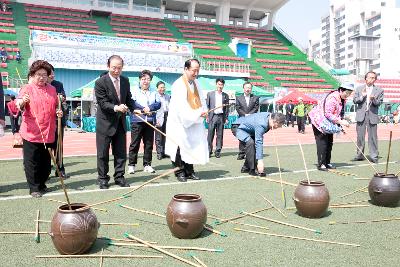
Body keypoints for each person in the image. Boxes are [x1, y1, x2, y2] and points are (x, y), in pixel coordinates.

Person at [16, 60, 63, 197]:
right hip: (31, 132)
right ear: (33, 75)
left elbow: (55, 107)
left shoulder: (52, 89)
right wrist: (23, 102)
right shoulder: (27, 88)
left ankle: (42, 183)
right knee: (32, 162)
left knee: (46, 164)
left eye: (44, 74)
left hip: (48, 131)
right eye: (38, 74)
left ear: (48, 76)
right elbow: (19, 104)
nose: (41, 77)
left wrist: (58, 112)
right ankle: (34, 188)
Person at [94, 55, 136, 189]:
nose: (116, 70)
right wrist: (116, 107)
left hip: (120, 123)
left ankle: (119, 177)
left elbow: (128, 99)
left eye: (119, 68)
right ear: (108, 66)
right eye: (114, 68)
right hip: (105, 123)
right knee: (102, 153)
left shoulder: (125, 80)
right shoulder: (100, 82)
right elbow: (102, 103)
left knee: (120, 153)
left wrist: (136, 109)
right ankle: (103, 179)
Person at [165, 58, 209, 182]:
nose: (195, 73)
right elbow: (181, 107)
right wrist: (197, 114)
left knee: (192, 145)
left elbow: (201, 100)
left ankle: (189, 171)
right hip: (179, 122)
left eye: (197, 71)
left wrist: (204, 112)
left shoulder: (197, 83)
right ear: (185, 69)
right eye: (193, 71)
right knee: (179, 147)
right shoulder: (178, 84)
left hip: (194, 121)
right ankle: (179, 172)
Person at [308, 83, 353, 171]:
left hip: (328, 123)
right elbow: (328, 114)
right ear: (340, 90)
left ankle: (327, 162)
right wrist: (341, 122)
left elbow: (337, 113)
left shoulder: (342, 99)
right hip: (319, 121)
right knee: (322, 142)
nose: (347, 95)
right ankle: (321, 164)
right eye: (346, 93)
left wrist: (340, 125)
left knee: (329, 142)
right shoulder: (333, 98)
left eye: (349, 93)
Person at [128, 70, 161, 174]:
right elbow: (132, 103)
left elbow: (158, 104)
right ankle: (132, 165)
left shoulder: (154, 91)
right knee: (135, 143)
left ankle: (147, 164)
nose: (145, 81)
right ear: (139, 80)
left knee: (148, 144)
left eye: (147, 79)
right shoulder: (134, 90)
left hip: (150, 121)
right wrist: (143, 110)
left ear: (150, 80)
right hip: (137, 120)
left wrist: (150, 108)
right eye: (143, 79)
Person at [352, 71, 384, 163]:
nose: (371, 79)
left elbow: (379, 103)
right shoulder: (359, 89)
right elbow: (355, 100)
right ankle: (359, 155)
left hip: (372, 116)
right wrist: (362, 96)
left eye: (373, 78)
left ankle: (374, 156)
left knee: (373, 137)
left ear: (375, 80)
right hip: (361, 115)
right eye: (370, 77)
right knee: (360, 137)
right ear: (365, 78)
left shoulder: (379, 90)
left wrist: (374, 100)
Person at [48, 65, 69, 178]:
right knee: (46, 146)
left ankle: (60, 169)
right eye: (50, 73)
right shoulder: (39, 86)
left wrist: (61, 98)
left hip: (58, 120)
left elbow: (63, 98)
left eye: (53, 72)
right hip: (45, 122)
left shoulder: (58, 84)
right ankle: (45, 170)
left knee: (58, 145)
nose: (52, 75)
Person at [235, 82, 259, 160]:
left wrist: (249, 115)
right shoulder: (238, 98)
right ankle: (241, 153)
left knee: (252, 136)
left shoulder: (255, 97)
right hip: (242, 119)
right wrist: (245, 115)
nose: (248, 89)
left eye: (249, 88)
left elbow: (256, 108)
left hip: (252, 120)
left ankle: (251, 153)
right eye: (246, 87)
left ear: (251, 89)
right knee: (242, 136)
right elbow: (238, 108)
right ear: (243, 88)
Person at [206, 78, 229, 158]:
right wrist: (207, 116)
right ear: (216, 84)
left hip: (221, 117)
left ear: (223, 86)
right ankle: (209, 151)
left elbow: (227, 108)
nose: (220, 86)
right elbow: (207, 106)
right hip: (212, 117)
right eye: (219, 84)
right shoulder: (210, 94)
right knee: (210, 135)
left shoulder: (225, 95)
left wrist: (226, 118)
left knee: (220, 135)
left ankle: (218, 151)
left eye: (222, 85)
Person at [155, 81, 170, 160]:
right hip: (158, 117)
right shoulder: (154, 95)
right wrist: (156, 118)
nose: (162, 89)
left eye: (163, 87)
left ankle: (164, 152)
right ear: (157, 88)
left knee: (166, 135)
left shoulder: (167, 96)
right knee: (158, 136)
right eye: (161, 87)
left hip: (167, 116)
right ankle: (159, 153)